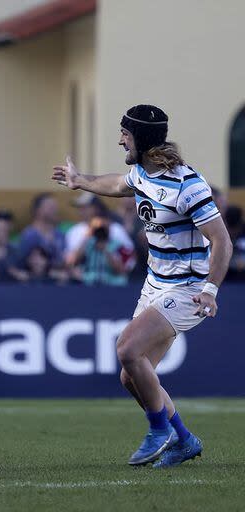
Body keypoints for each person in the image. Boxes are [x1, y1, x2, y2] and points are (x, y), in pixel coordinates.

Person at [52, 105, 232, 467]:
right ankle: (184, 439)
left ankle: (158, 429)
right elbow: (119, 184)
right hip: (155, 284)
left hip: (186, 288)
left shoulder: (187, 184)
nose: (120, 139)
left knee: (127, 348)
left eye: (125, 133)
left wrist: (211, 290)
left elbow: (222, 241)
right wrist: (80, 179)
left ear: (143, 137)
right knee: (131, 375)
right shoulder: (141, 174)